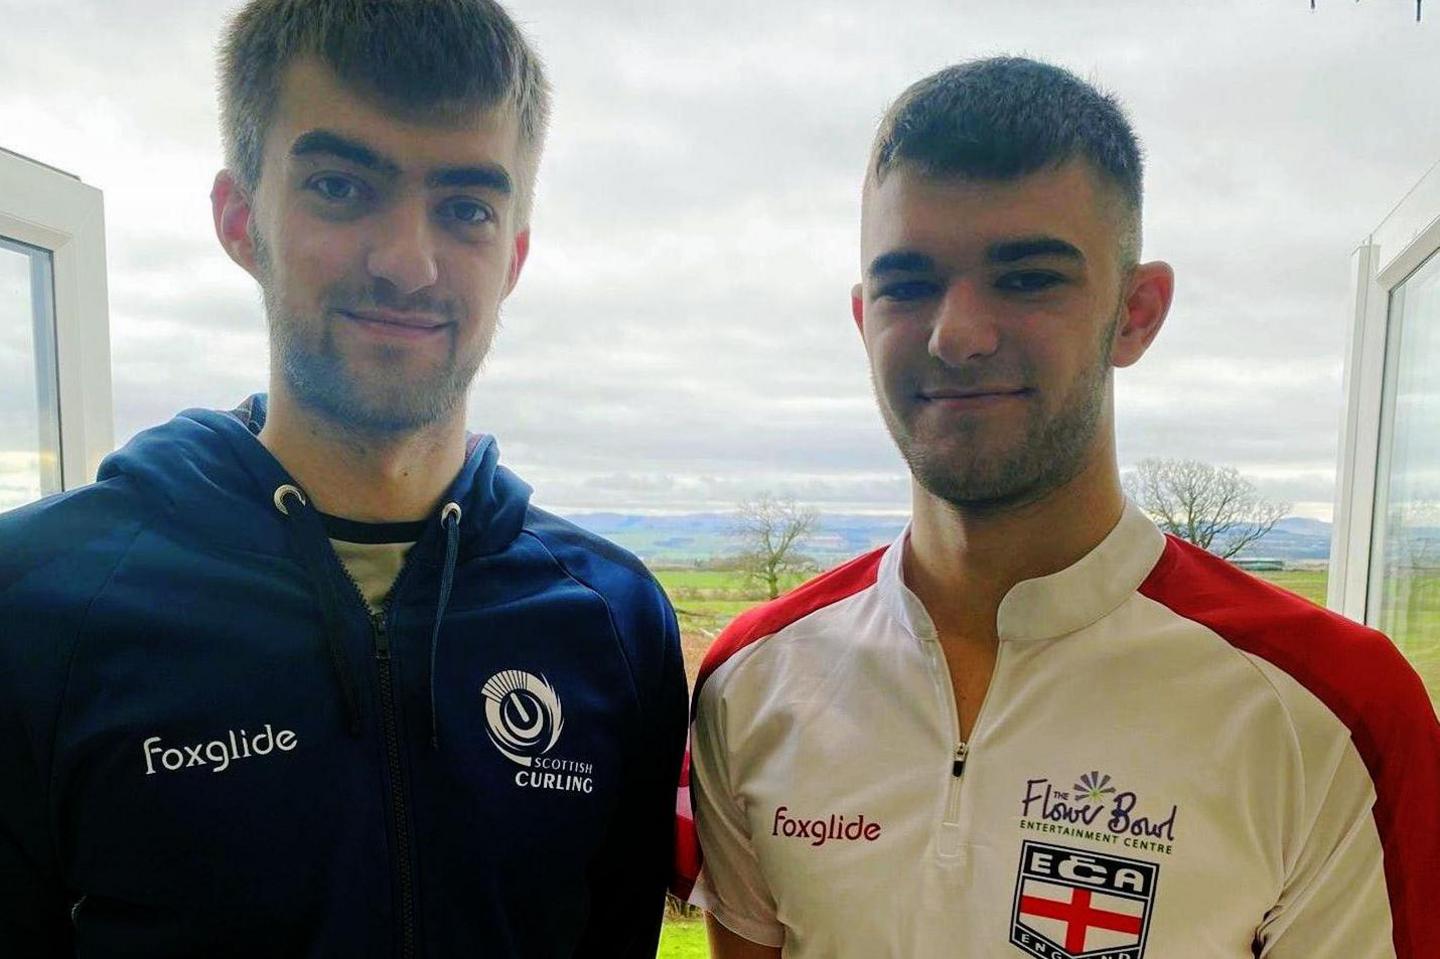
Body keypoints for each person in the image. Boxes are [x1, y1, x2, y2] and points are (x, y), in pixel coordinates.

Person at [675, 57, 1440, 958]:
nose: (956, 332)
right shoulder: (752, 681)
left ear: (1137, 312)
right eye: (907, 282)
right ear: (861, 316)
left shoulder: (1333, 709)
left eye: (1029, 277)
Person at [0, 1, 686, 955]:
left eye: (467, 209)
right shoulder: (35, 604)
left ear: (515, 255)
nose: (408, 263)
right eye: (339, 185)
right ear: (241, 219)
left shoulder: (615, 624)